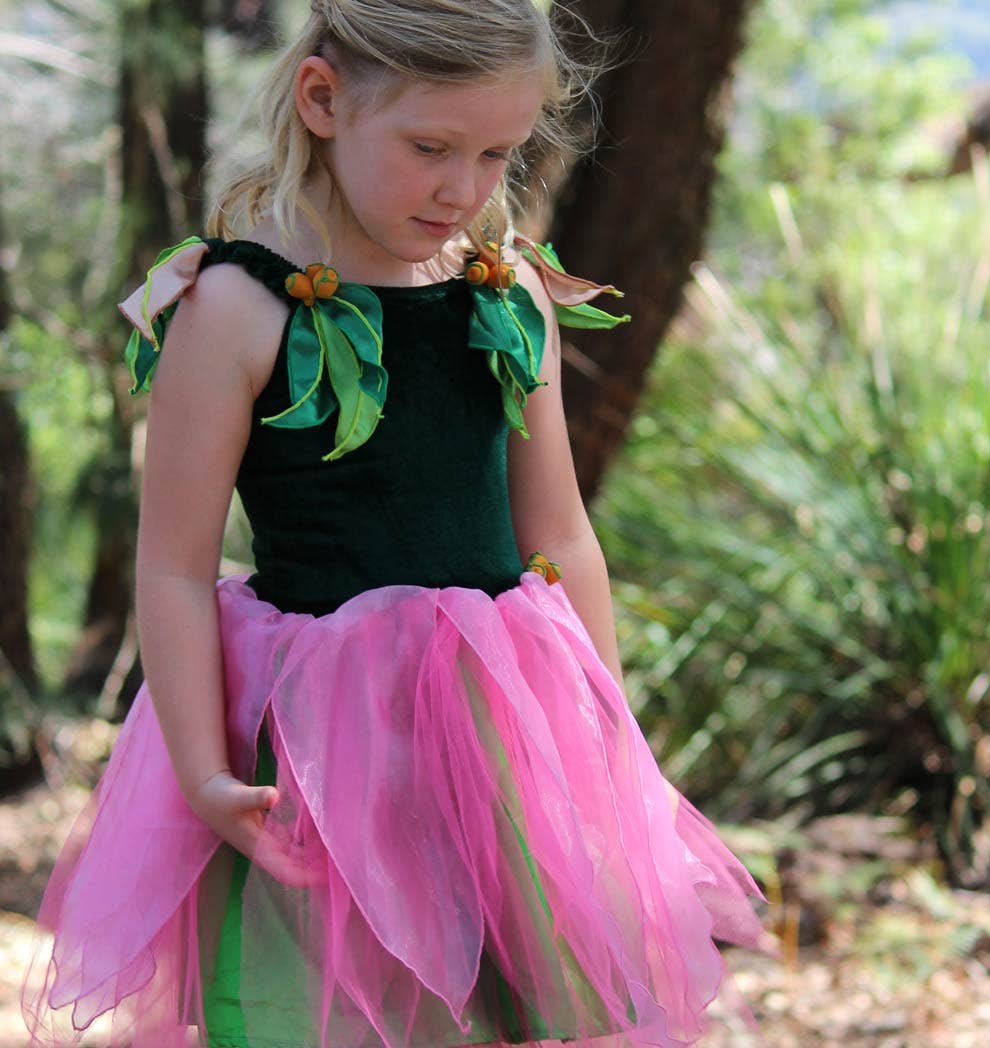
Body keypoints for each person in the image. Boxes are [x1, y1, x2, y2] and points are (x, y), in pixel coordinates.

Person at [24, 2, 766, 1045]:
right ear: (324, 100)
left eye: (497, 153)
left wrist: (615, 752)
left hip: (503, 728)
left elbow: (561, 534)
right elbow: (176, 569)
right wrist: (201, 771)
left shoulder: (504, 296)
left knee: (525, 1009)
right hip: (326, 746)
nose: (464, 187)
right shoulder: (237, 307)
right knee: (332, 1010)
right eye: (430, 147)